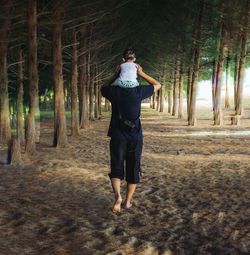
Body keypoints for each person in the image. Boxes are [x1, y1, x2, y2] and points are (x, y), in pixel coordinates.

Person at [101, 49, 161, 214]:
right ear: (134, 66)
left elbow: (103, 87)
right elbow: (157, 85)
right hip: (135, 135)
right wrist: (142, 73)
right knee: (134, 168)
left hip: (117, 134)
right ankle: (127, 202)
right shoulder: (139, 91)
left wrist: (115, 74)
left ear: (122, 63)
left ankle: (118, 197)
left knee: (116, 166)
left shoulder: (114, 91)